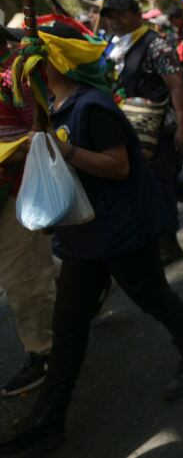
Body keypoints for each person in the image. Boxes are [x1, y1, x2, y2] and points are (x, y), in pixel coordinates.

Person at [0, 16, 183, 455]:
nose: (24, 67)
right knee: (68, 324)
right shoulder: (56, 108)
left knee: (154, 297)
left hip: (120, 232)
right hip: (83, 238)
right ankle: (50, 417)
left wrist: (65, 151)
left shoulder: (91, 106)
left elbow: (118, 167)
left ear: (55, 64)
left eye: (33, 59)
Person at [101, 0, 183, 265]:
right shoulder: (110, 45)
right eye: (110, 15)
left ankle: (168, 241)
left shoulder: (156, 44)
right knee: (156, 183)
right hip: (127, 128)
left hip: (158, 129)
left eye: (121, 14)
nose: (115, 20)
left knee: (161, 183)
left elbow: (176, 85)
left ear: (136, 14)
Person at [0, 22, 57, 398]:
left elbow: (43, 135)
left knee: (23, 281)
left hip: (14, 193)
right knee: (32, 271)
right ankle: (92, 278)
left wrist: (12, 150)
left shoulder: (14, 79)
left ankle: (46, 353)